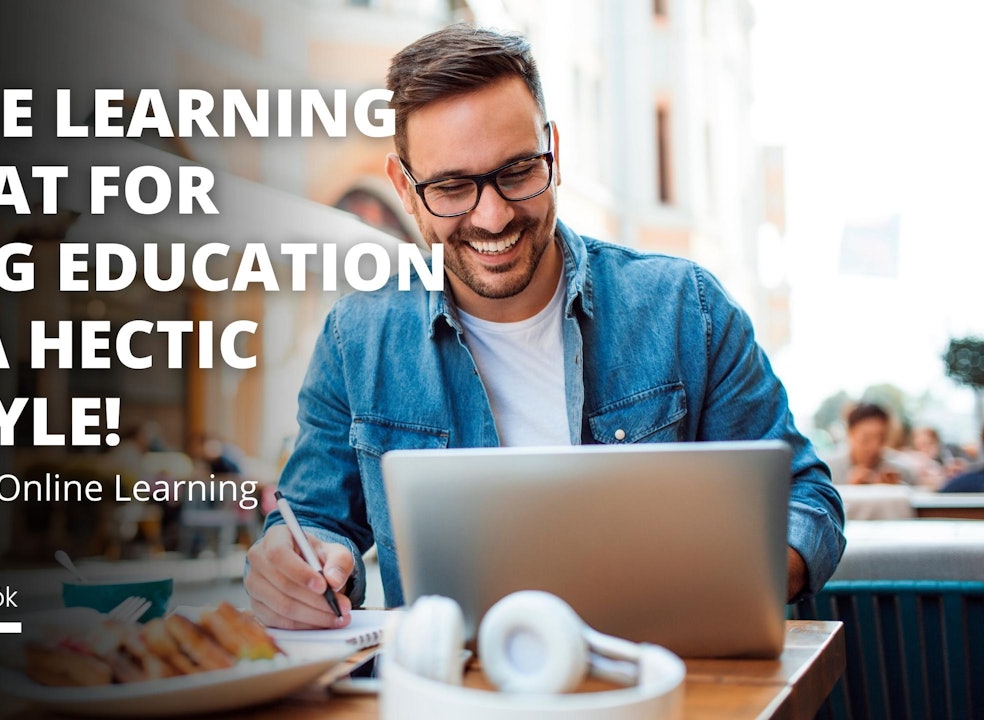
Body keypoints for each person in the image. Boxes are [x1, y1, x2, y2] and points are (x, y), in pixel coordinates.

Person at [244, 24, 845, 630]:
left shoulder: (686, 309)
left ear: (553, 152)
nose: (493, 214)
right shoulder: (358, 340)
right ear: (406, 187)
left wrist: (727, 581)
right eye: (452, 186)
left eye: (517, 171)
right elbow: (310, 521)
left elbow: (807, 504)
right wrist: (297, 565)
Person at [823, 403, 917, 486]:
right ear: (850, 433)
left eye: (881, 438)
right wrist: (848, 489)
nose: (874, 446)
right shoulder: (827, 471)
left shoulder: (900, 472)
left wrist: (895, 490)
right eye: (866, 439)